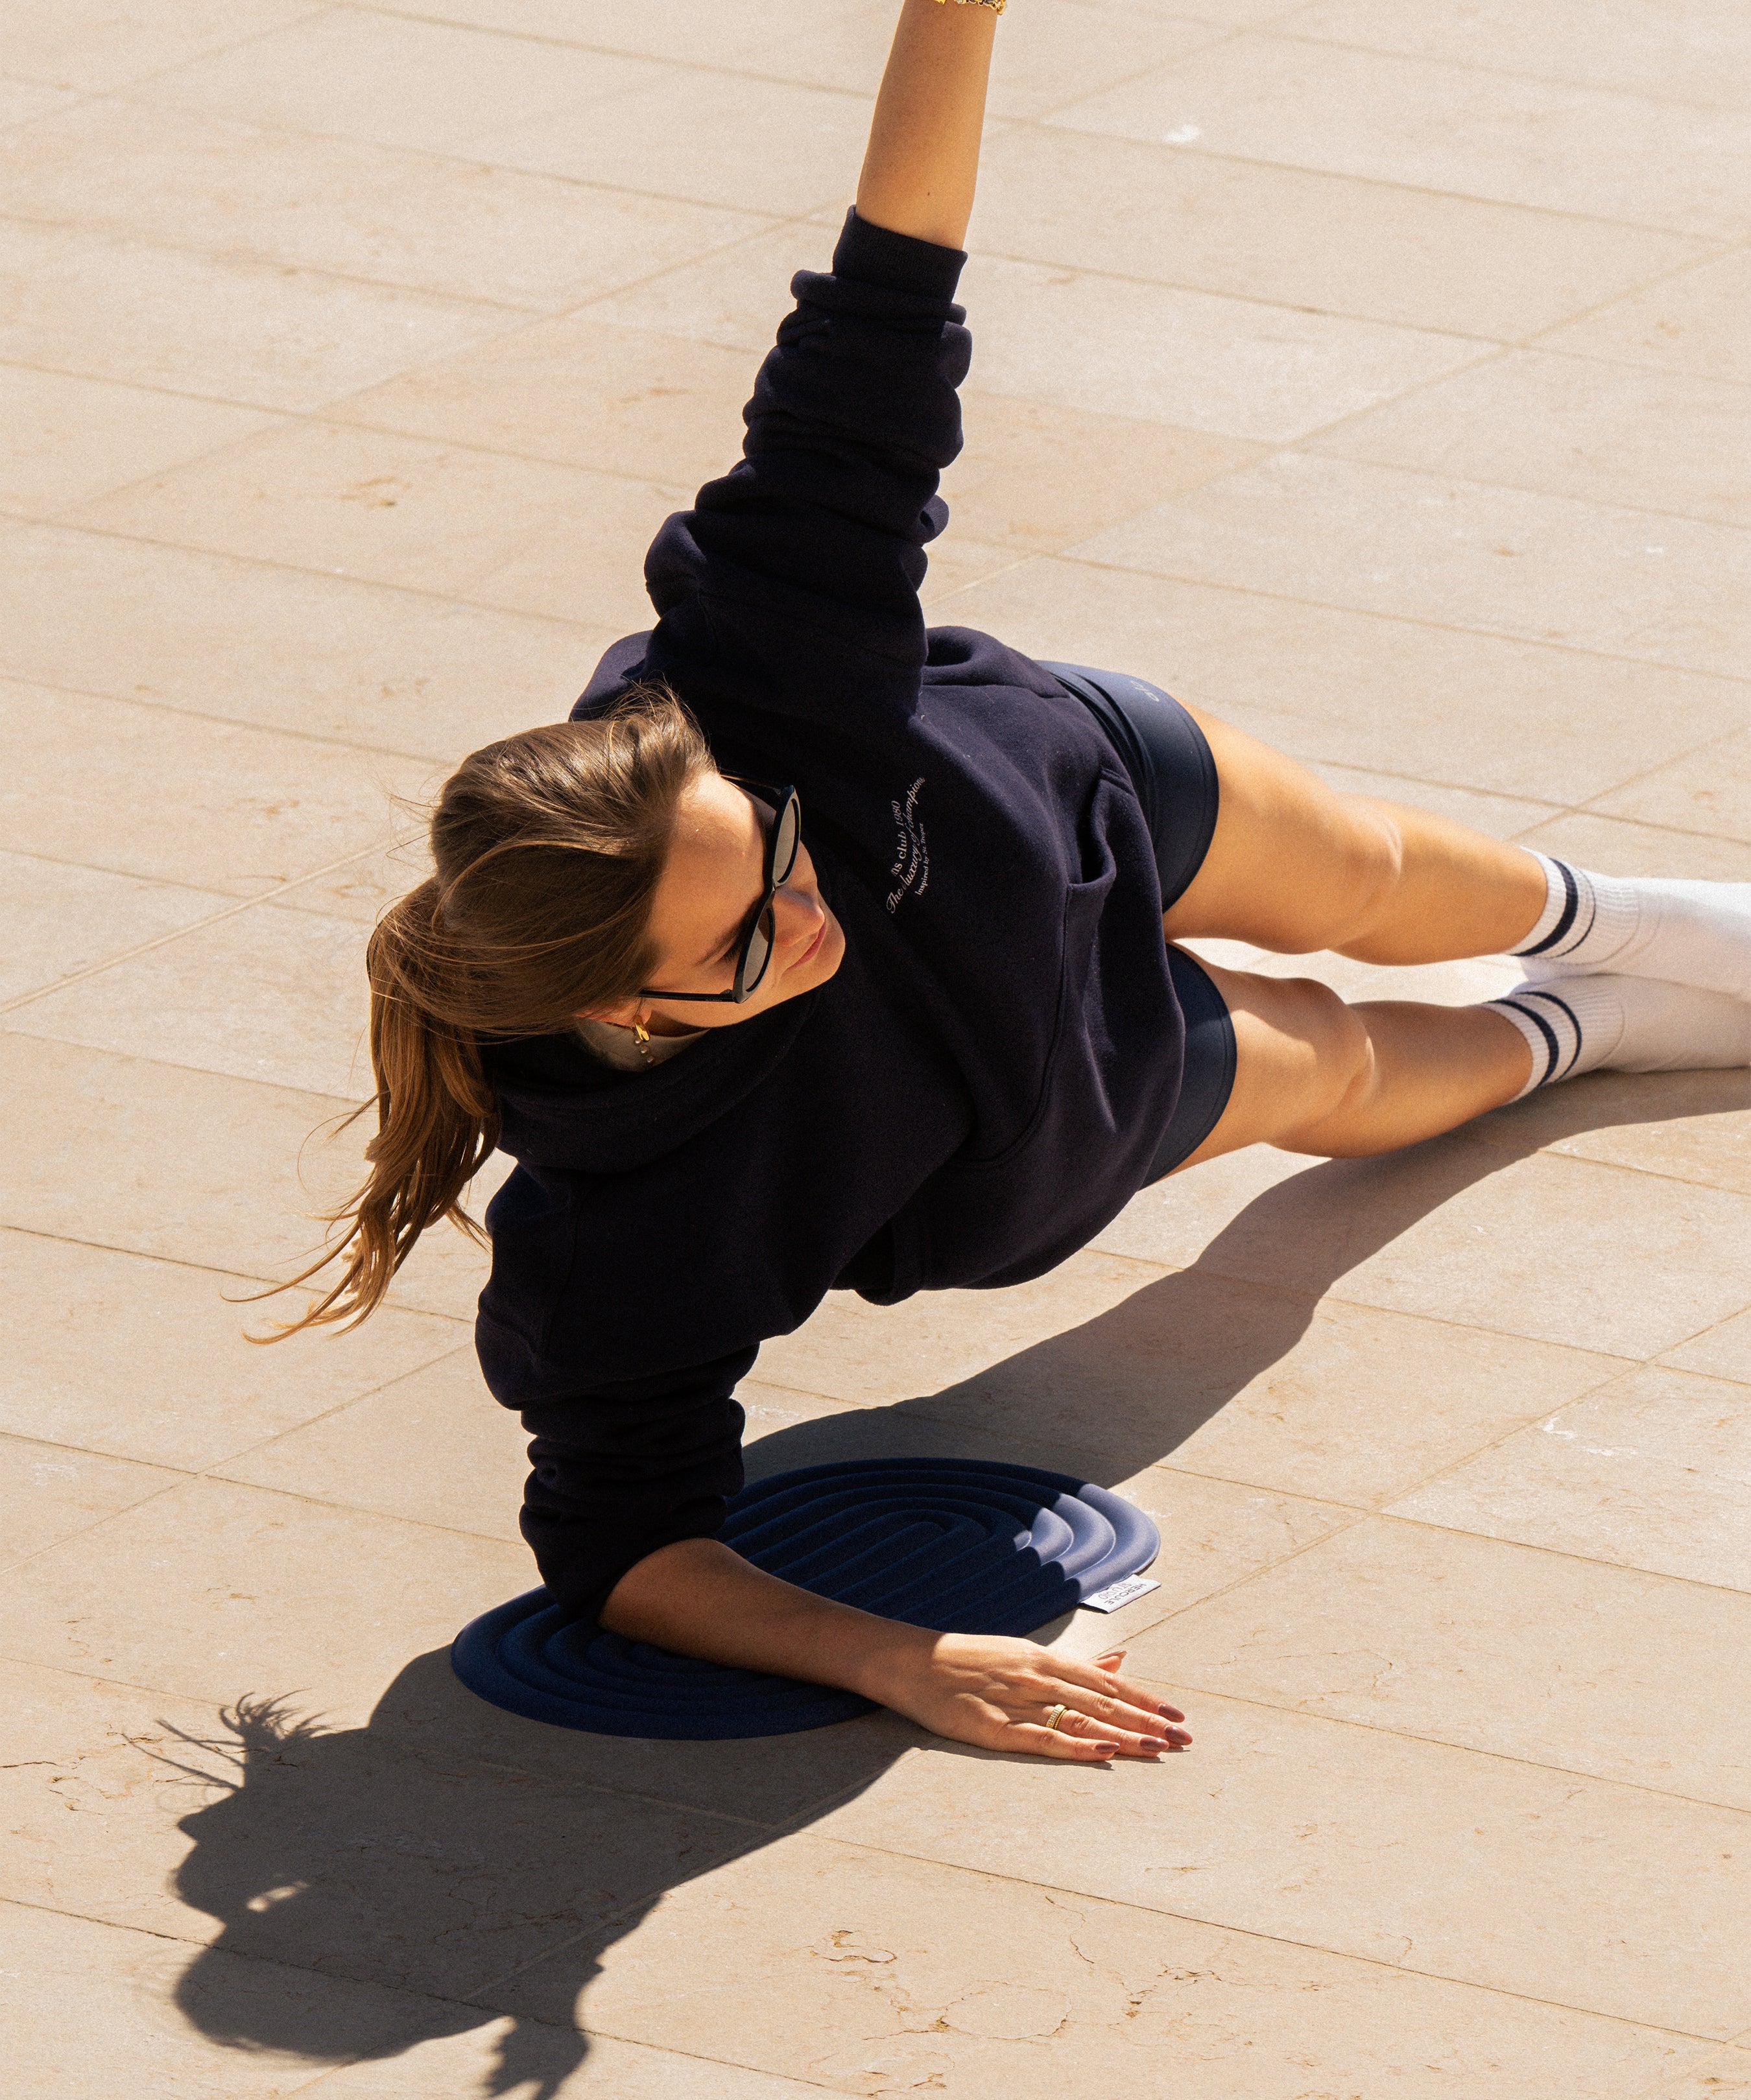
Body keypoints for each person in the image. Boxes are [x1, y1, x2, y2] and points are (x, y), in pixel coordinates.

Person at [268, 0, 1751, 1765]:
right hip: (1052, 1098)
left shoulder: (749, 662)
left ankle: (1624, 922)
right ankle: (1584, 1035)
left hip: (1063, 792)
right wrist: (891, 1657)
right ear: (624, 1009)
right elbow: (619, 1547)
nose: (809, 906)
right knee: (1341, 1067)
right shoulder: (624, 1233)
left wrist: (950, 14)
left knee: (1369, 871)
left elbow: (880, 300)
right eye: (751, 937)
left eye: (778, 842)